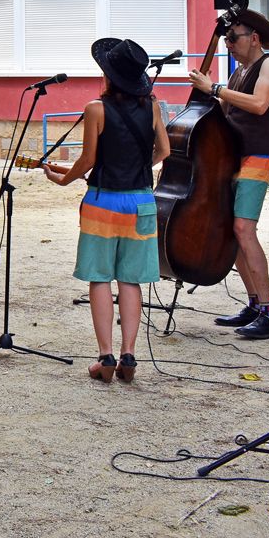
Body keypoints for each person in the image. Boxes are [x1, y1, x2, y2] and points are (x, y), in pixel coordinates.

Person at [44, 38, 171, 382]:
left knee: (100, 278)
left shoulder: (95, 109)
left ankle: (106, 357)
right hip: (141, 201)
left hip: (103, 201)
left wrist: (62, 179)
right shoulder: (153, 107)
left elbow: (87, 159)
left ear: (109, 74)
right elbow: (164, 151)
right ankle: (129, 354)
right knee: (131, 280)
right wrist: (137, 167)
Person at [188, 8, 269, 341]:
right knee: (235, 233)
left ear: (254, 38)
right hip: (234, 155)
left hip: (258, 153)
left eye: (233, 38)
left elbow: (260, 105)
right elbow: (225, 112)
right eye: (226, 38)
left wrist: (214, 88)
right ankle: (253, 305)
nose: (228, 44)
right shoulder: (239, 72)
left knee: (244, 229)